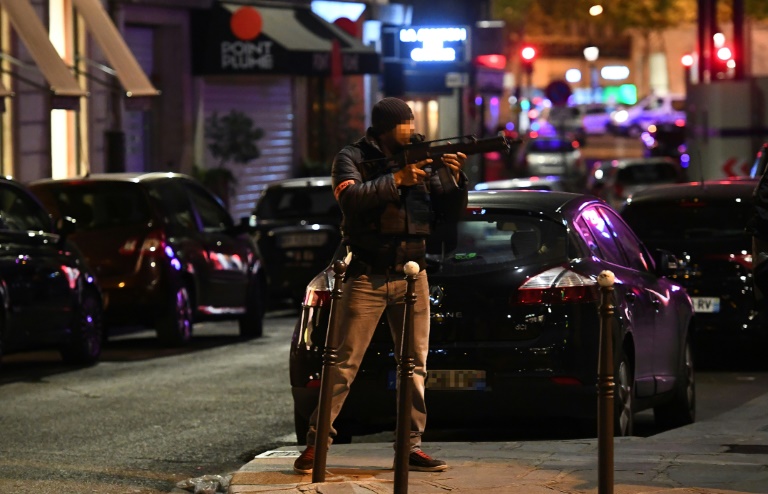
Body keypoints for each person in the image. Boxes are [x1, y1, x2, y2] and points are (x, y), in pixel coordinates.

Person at [293, 97, 468, 474]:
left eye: (412, 122)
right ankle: (316, 445)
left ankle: (411, 446)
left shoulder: (422, 153)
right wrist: (396, 181)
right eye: (404, 122)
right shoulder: (352, 156)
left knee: (414, 366)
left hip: (412, 274)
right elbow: (350, 198)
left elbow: (449, 215)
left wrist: (455, 179)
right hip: (367, 275)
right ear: (388, 127)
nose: (411, 127)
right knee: (342, 364)